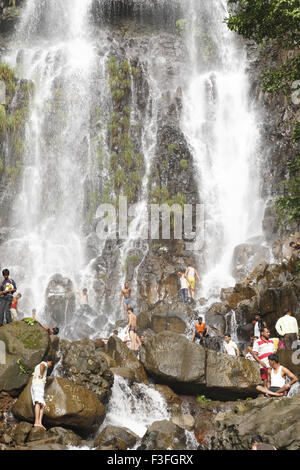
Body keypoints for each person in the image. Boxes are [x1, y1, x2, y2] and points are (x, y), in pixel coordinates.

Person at [31, 358, 53, 430]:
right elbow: (42, 365)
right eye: (51, 363)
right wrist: (41, 374)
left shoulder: (37, 366)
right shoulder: (44, 363)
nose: (51, 365)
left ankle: (40, 422)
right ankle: (36, 422)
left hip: (38, 385)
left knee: (43, 405)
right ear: (48, 361)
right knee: (38, 402)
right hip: (38, 385)